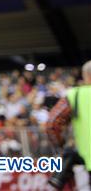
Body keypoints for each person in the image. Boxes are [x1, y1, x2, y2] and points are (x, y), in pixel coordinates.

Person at [46, 60, 91, 189]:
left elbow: (51, 124)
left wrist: (61, 145)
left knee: (69, 154)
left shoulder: (75, 95)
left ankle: (58, 177)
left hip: (87, 155)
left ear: (85, 76)